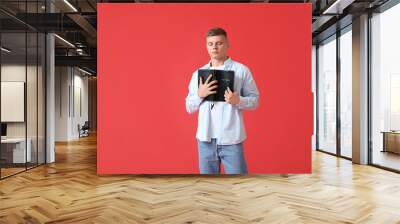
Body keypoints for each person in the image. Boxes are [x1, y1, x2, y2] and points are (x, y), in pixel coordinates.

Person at [185, 27, 260, 174]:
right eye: (210, 44)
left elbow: (255, 101)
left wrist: (238, 100)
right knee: (208, 189)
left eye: (219, 43)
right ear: (206, 46)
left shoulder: (241, 70)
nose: (214, 47)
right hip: (205, 139)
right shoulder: (197, 74)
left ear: (227, 44)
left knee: (239, 185)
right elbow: (188, 106)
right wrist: (200, 94)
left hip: (231, 139)